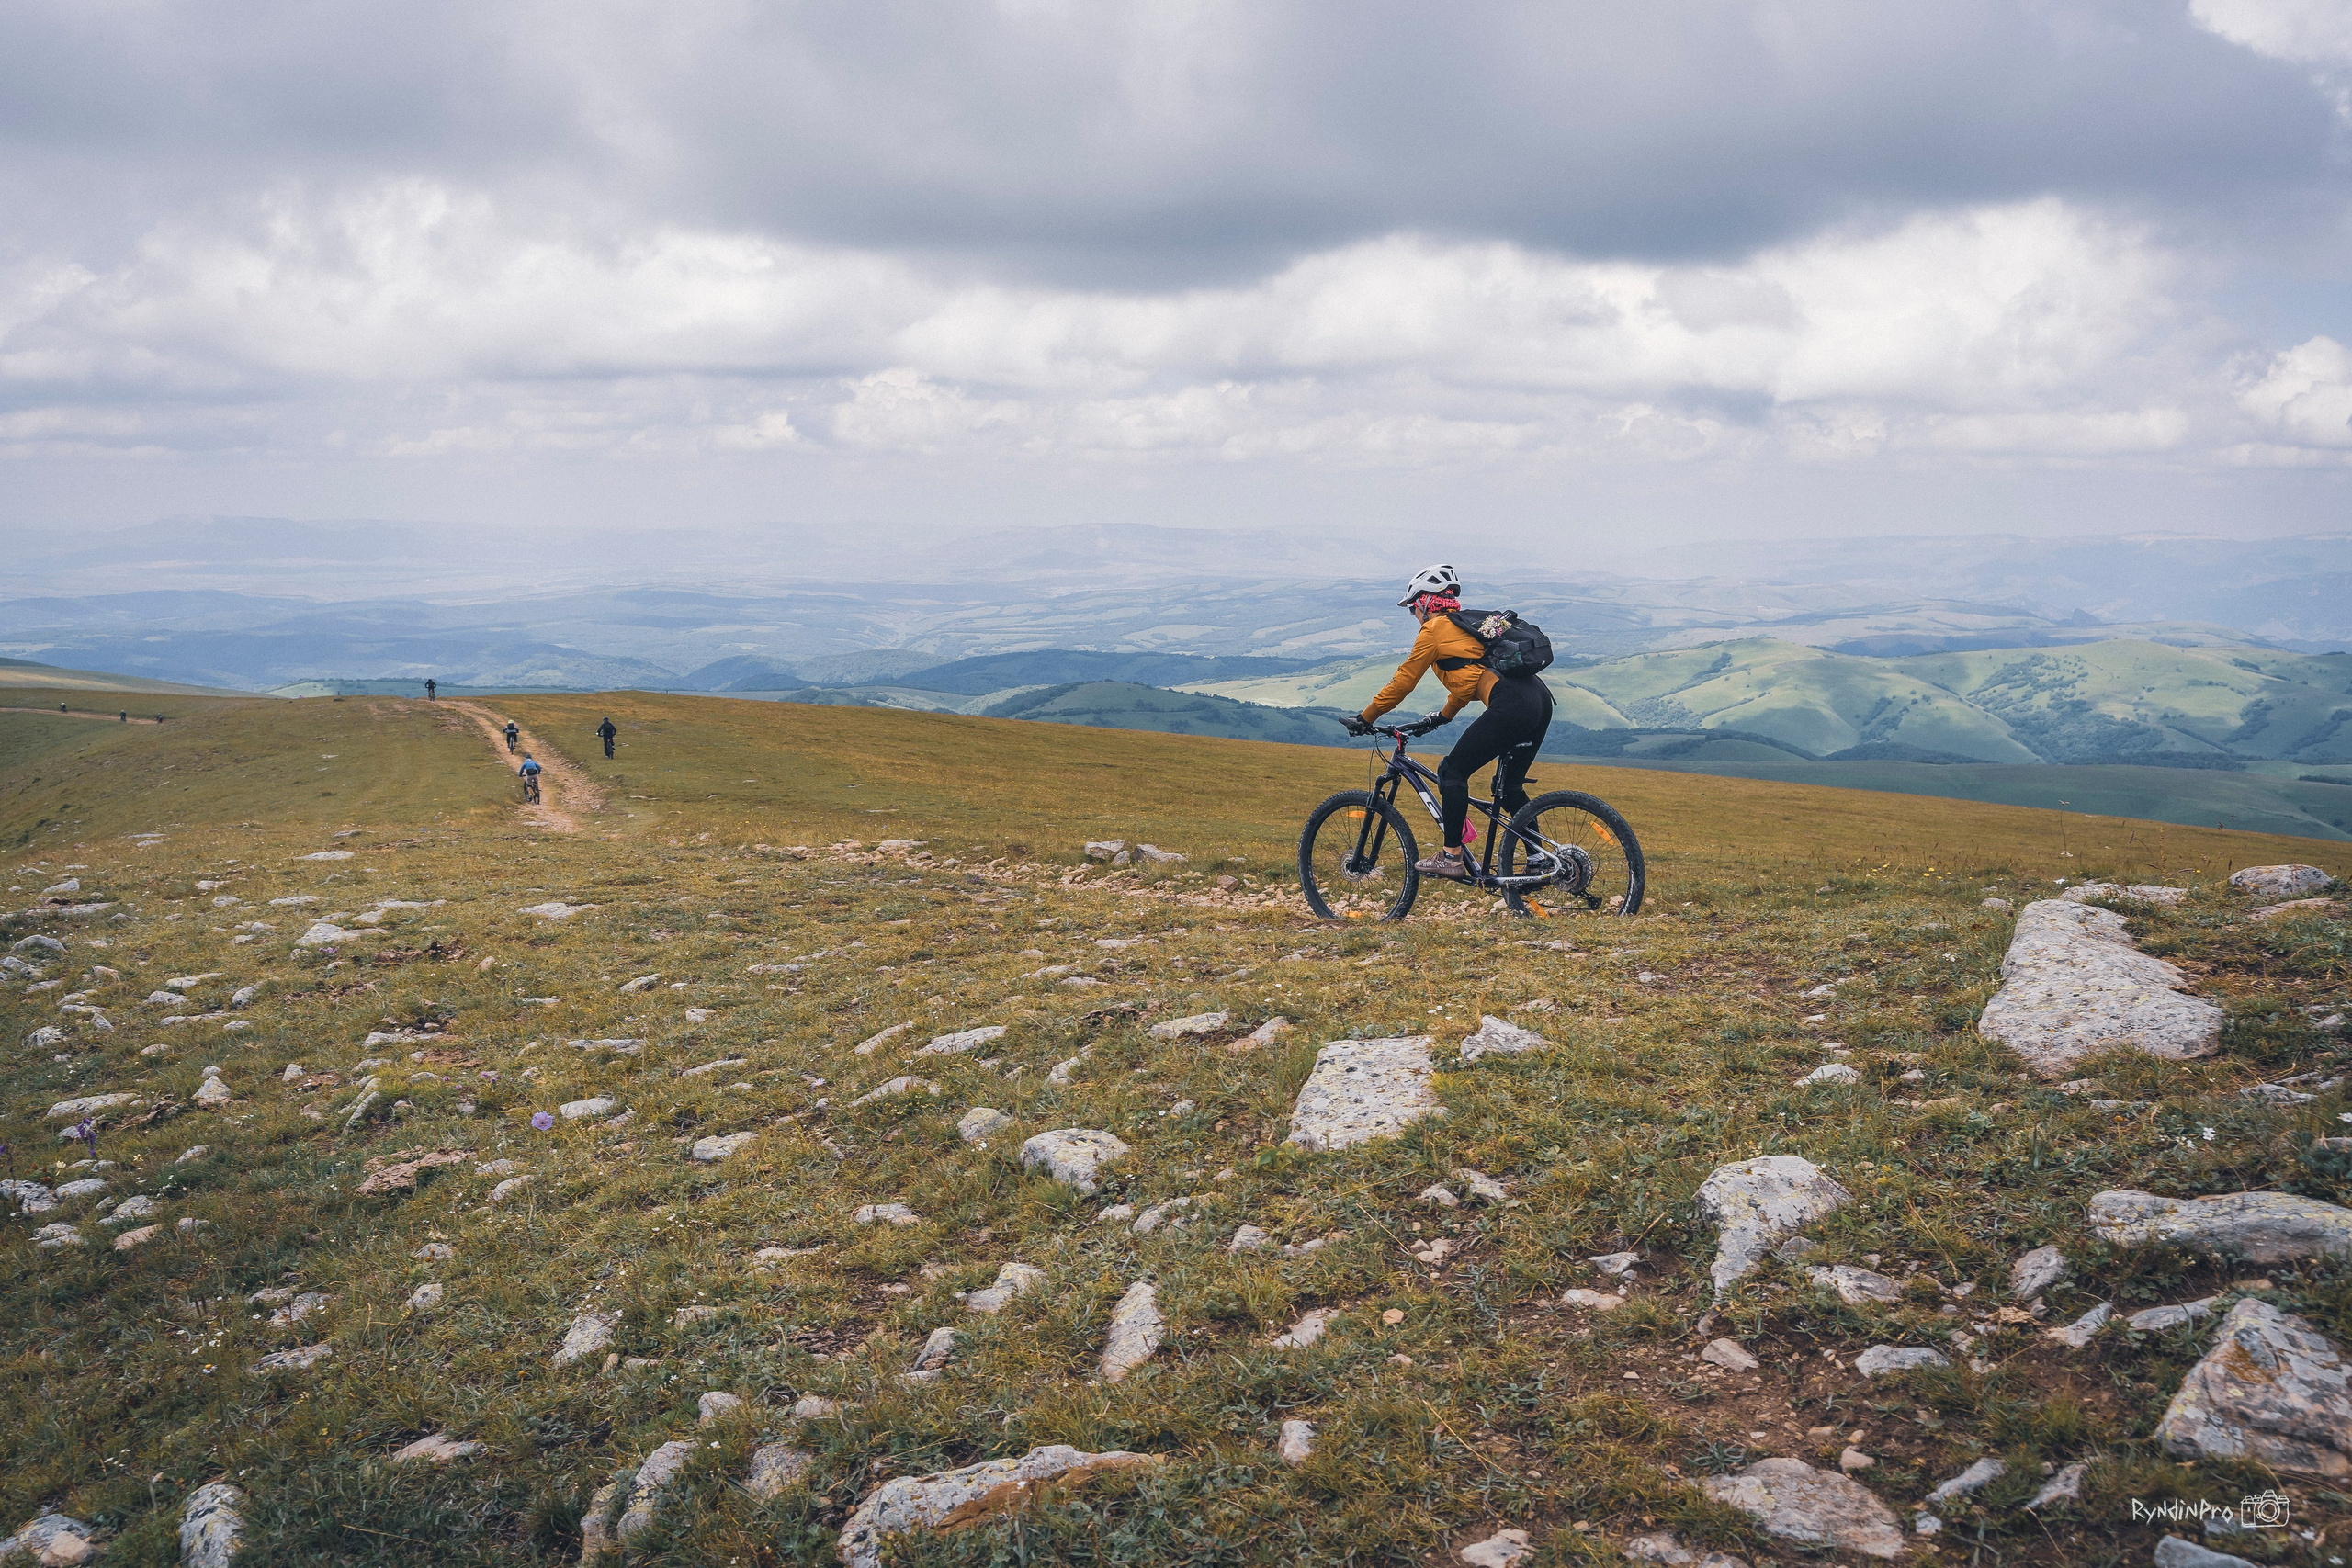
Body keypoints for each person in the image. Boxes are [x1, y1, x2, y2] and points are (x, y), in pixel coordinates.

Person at [1347, 563, 1554, 881]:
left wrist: (1365, 718)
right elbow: (1471, 678)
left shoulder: (1434, 631)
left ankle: (1451, 856)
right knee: (1510, 787)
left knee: (1451, 771)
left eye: (1413, 608)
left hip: (1512, 703)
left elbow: (1403, 682)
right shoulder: (1466, 626)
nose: (1414, 615)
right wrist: (1441, 718)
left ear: (1425, 603)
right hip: (1537, 700)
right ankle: (1540, 859)